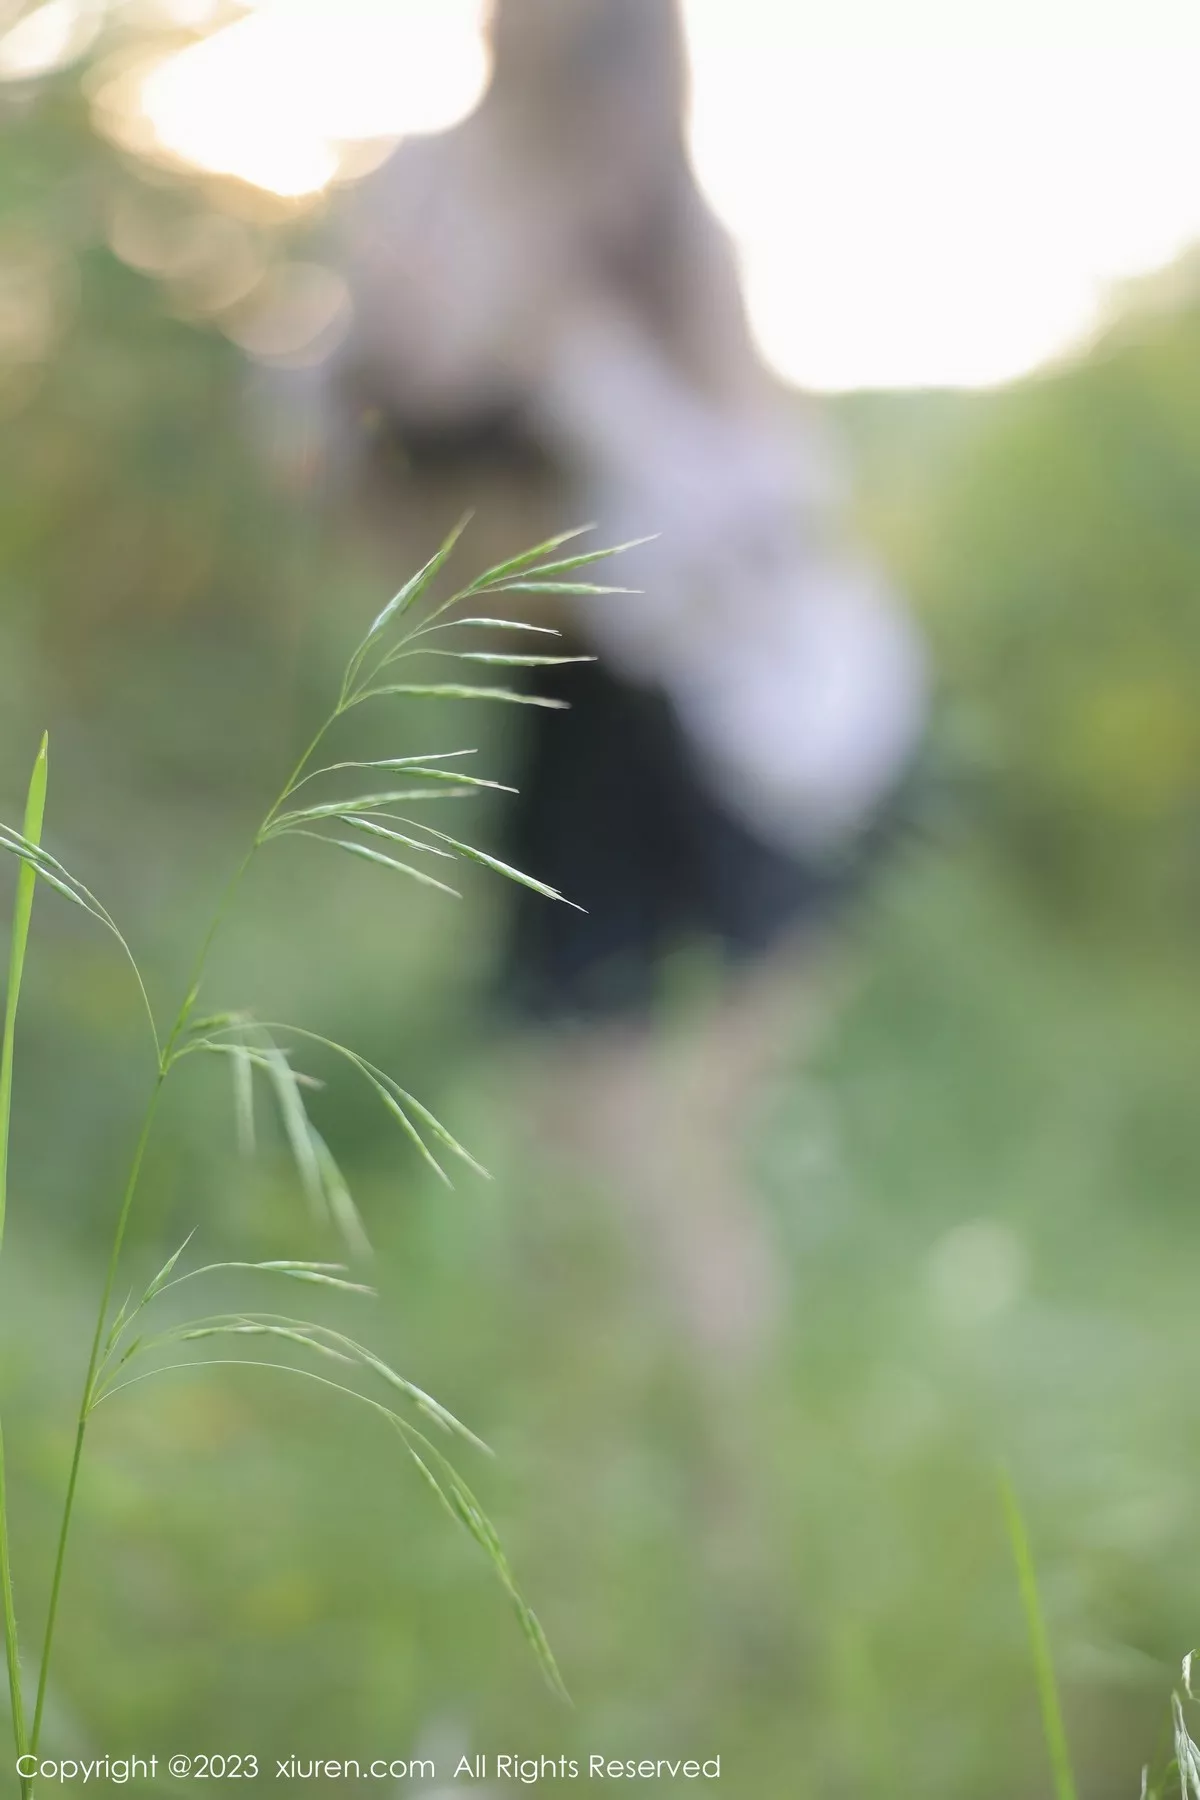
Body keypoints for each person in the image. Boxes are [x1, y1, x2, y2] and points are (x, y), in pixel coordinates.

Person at [310, 0, 928, 1364]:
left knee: (647, 1138)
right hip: (598, 693)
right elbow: (363, 435)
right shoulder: (441, 190)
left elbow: (765, 495)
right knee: (589, 1132)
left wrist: (538, 349)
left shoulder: (656, 233)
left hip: (758, 712)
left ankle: (712, 1509)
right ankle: (619, 1492)